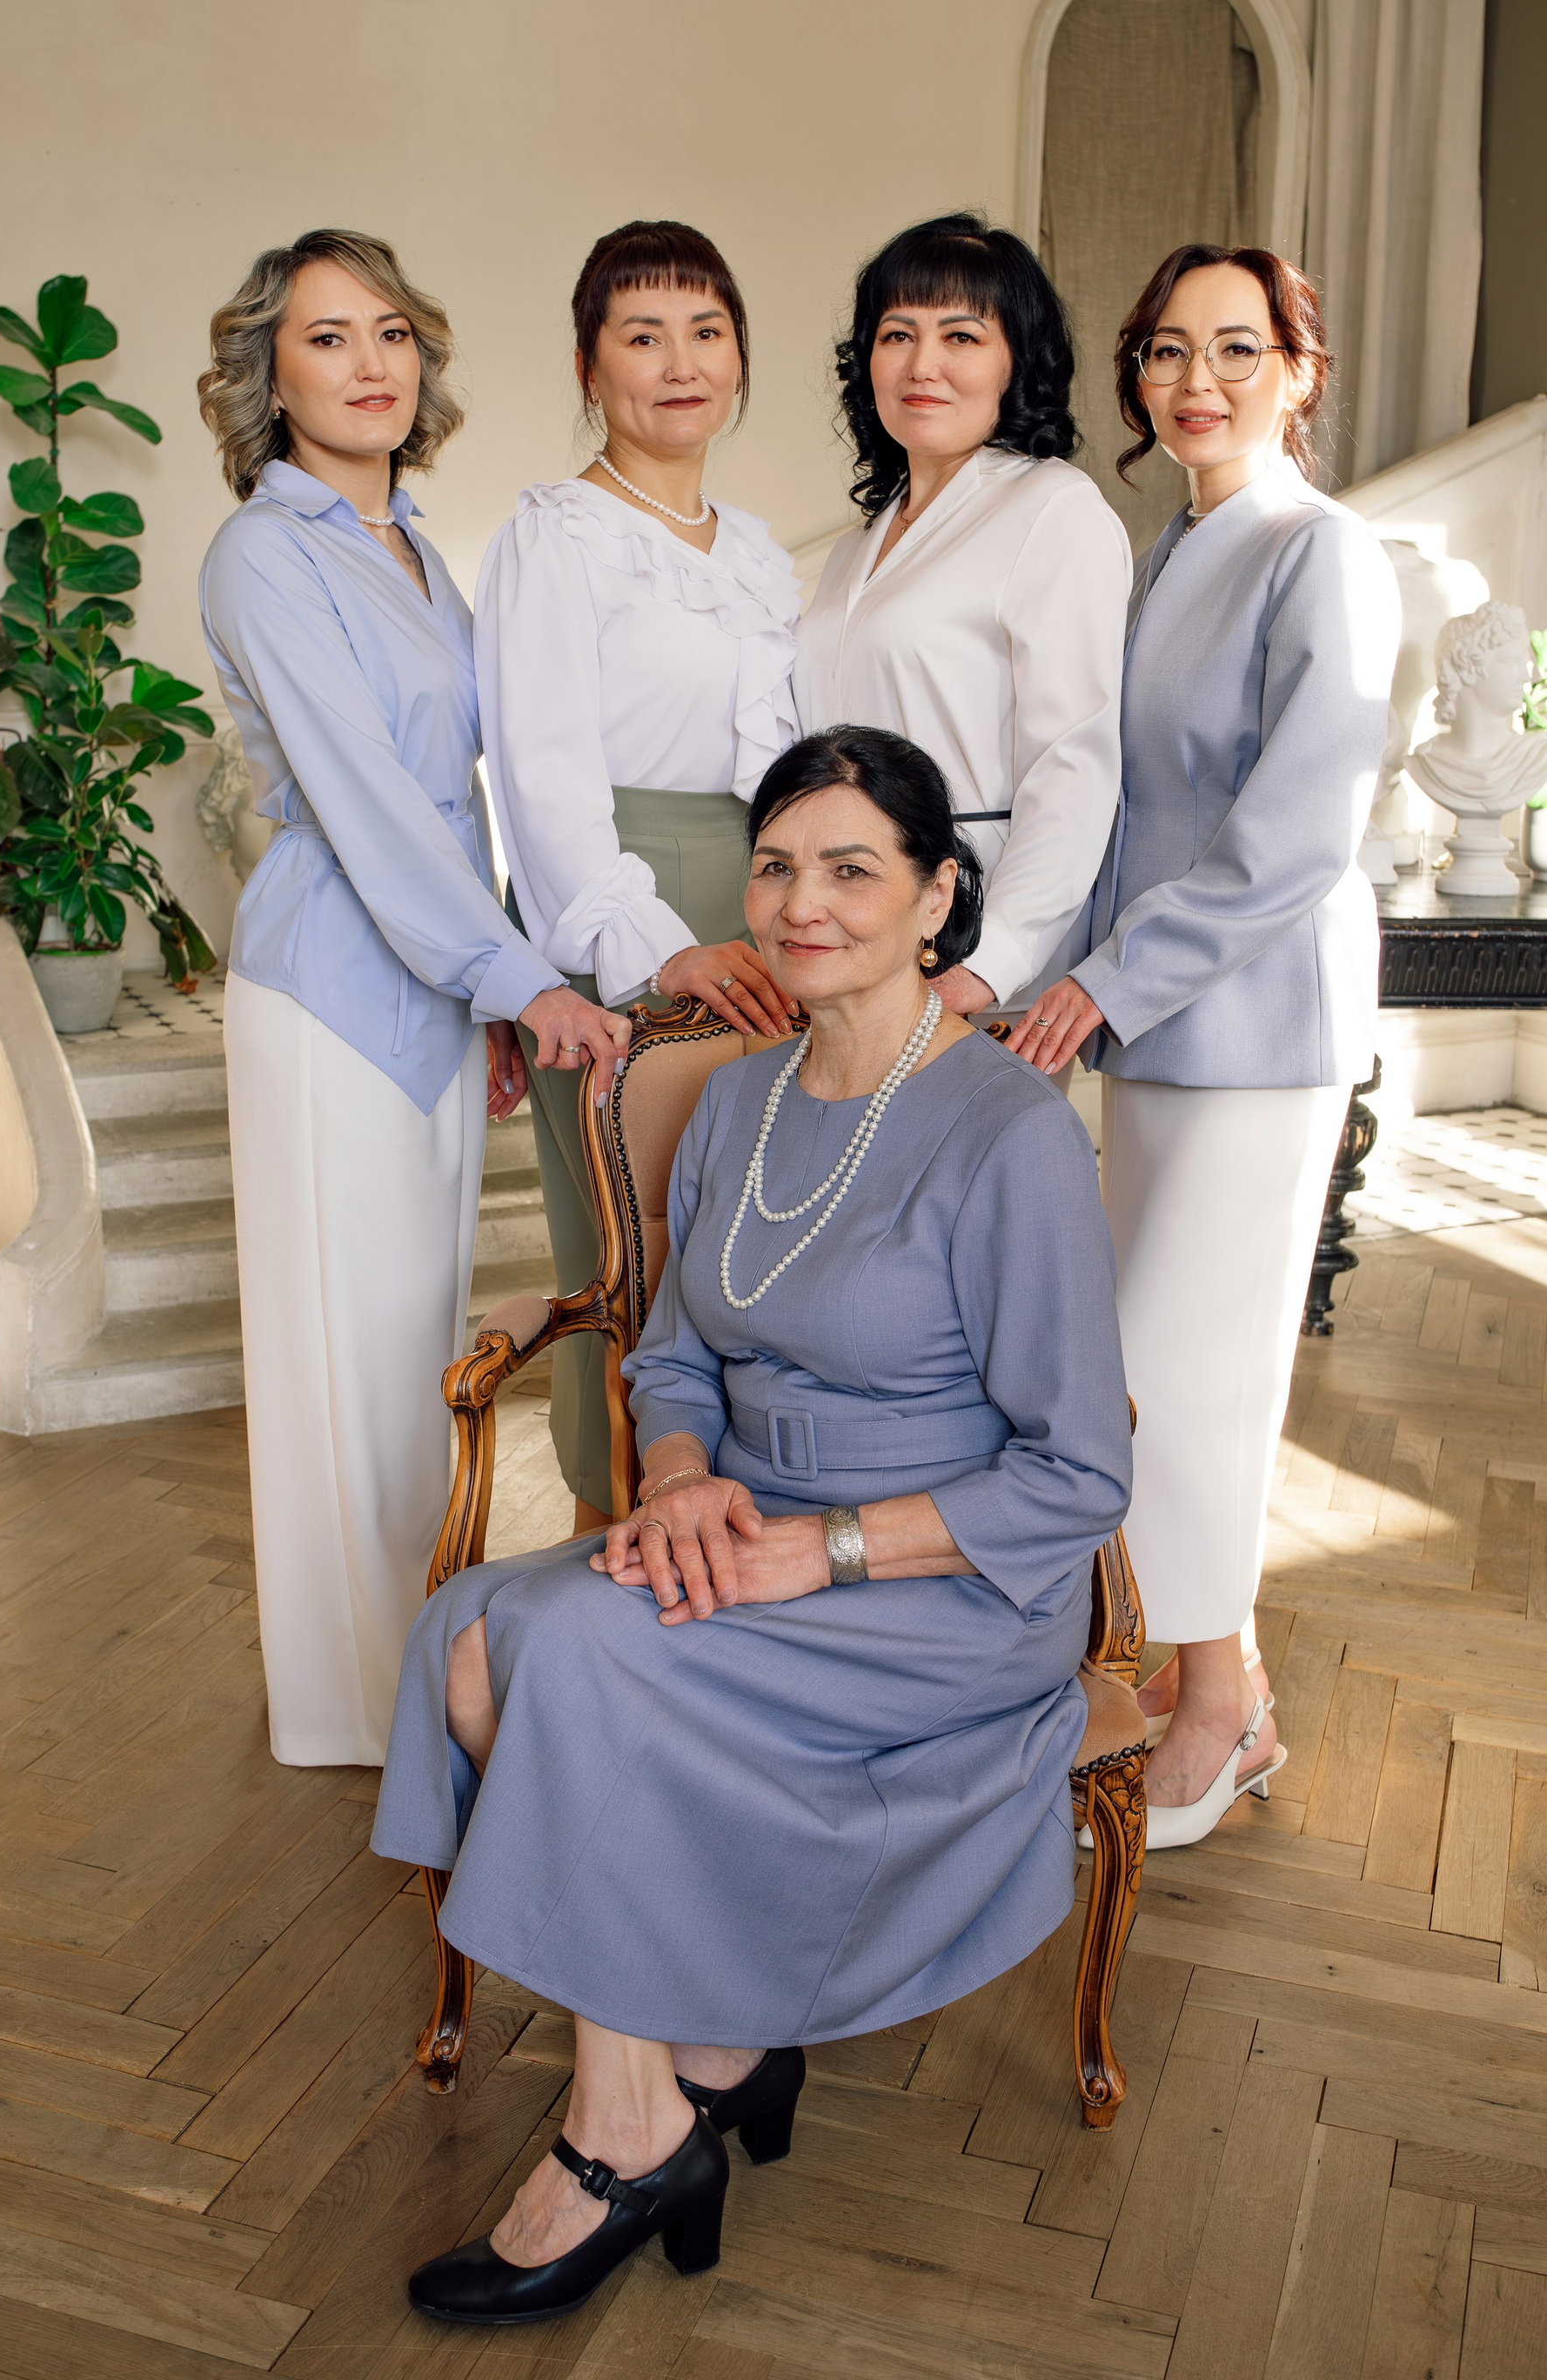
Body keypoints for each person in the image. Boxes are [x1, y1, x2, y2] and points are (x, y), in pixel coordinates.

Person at [373, 725, 1131, 2325]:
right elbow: (670, 1356)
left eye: (852, 868)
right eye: (778, 867)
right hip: (743, 1521)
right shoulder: (734, 1102)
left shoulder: (1010, 1131)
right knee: (465, 1647)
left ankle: (624, 2135)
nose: (803, 904)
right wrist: (678, 1479)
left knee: (574, 1654)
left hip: (940, 1580)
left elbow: (1077, 1476)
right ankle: (704, 2045)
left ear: (937, 896)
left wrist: (822, 1549)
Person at [197, 229, 629, 1769]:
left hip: (432, 994)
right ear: (269, 376)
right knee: (344, 1369)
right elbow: (372, 808)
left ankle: (413, 1680)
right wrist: (522, 981)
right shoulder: (265, 552)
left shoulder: (417, 552)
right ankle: (361, 1709)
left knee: (407, 1370)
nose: (370, 363)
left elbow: (465, 804)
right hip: (330, 987)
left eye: (390, 331)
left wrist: (490, 995)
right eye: (327, 338)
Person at [1007, 244, 1400, 1848]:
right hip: (1156, 1028)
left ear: (1299, 372)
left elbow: (1296, 832)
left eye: (1239, 348)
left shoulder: (1324, 553)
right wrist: (1049, 981)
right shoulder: (1165, 554)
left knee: (1194, 1372)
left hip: (1257, 1020)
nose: (1198, 381)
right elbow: (1116, 807)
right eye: (1168, 350)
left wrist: (1105, 985)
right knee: (1147, 1372)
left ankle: (1218, 1711)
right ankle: (1209, 1680)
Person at [476, 218, 800, 1532]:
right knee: (629, 1260)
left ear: (740, 358)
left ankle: (740, 1552)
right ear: (588, 366)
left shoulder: (761, 553)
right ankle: (602, 1546)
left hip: (768, 911)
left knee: (751, 1254)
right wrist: (659, 946)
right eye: (643, 334)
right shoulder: (555, 535)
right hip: (620, 905)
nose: (681, 363)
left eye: (707, 331)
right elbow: (541, 775)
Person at [794, 215, 1128, 1042]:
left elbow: (1075, 760)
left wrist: (993, 960)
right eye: (897, 334)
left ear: (1017, 359)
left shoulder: (1053, 510)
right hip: (844, 934)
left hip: (968, 944)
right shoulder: (858, 547)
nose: (923, 365)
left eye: (961, 336)